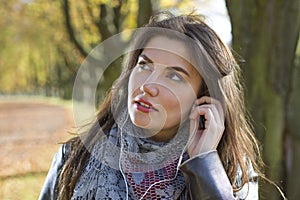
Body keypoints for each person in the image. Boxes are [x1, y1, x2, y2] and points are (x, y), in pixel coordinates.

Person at [39, 12, 264, 200]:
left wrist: (205, 165)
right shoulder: (74, 156)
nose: (147, 86)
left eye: (174, 76)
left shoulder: (232, 171)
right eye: (144, 66)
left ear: (203, 97)